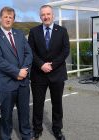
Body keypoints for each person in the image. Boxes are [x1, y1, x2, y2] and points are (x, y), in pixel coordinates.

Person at [0, 6, 33, 140]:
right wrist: (17, 72)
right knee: (6, 117)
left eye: (11, 17)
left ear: (14, 19)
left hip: (23, 82)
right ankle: (6, 137)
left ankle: (26, 136)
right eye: (5, 17)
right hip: (7, 84)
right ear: (0, 18)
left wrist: (24, 70)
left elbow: (29, 53)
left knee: (25, 114)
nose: (8, 19)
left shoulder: (19, 34)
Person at [28, 5, 70, 140]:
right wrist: (41, 65)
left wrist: (52, 65)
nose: (45, 17)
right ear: (40, 17)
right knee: (38, 103)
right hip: (38, 74)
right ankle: (37, 129)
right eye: (43, 15)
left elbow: (65, 50)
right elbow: (30, 52)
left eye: (48, 14)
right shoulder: (34, 31)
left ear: (53, 16)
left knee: (57, 104)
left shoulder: (62, 31)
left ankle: (57, 130)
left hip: (57, 73)